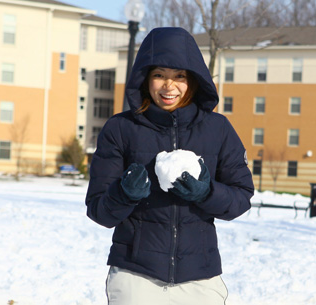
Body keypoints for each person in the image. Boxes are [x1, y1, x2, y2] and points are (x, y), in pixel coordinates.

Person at [85, 27, 254, 305]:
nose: (169, 86)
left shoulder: (218, 129)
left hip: (200, 278)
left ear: (194, 80)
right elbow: (99, 211)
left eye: (180, 76)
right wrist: (124, 193)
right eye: (159, 75)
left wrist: (206, 193)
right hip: (136, 276)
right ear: (145, 78)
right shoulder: (120, 128)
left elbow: (241, 198)